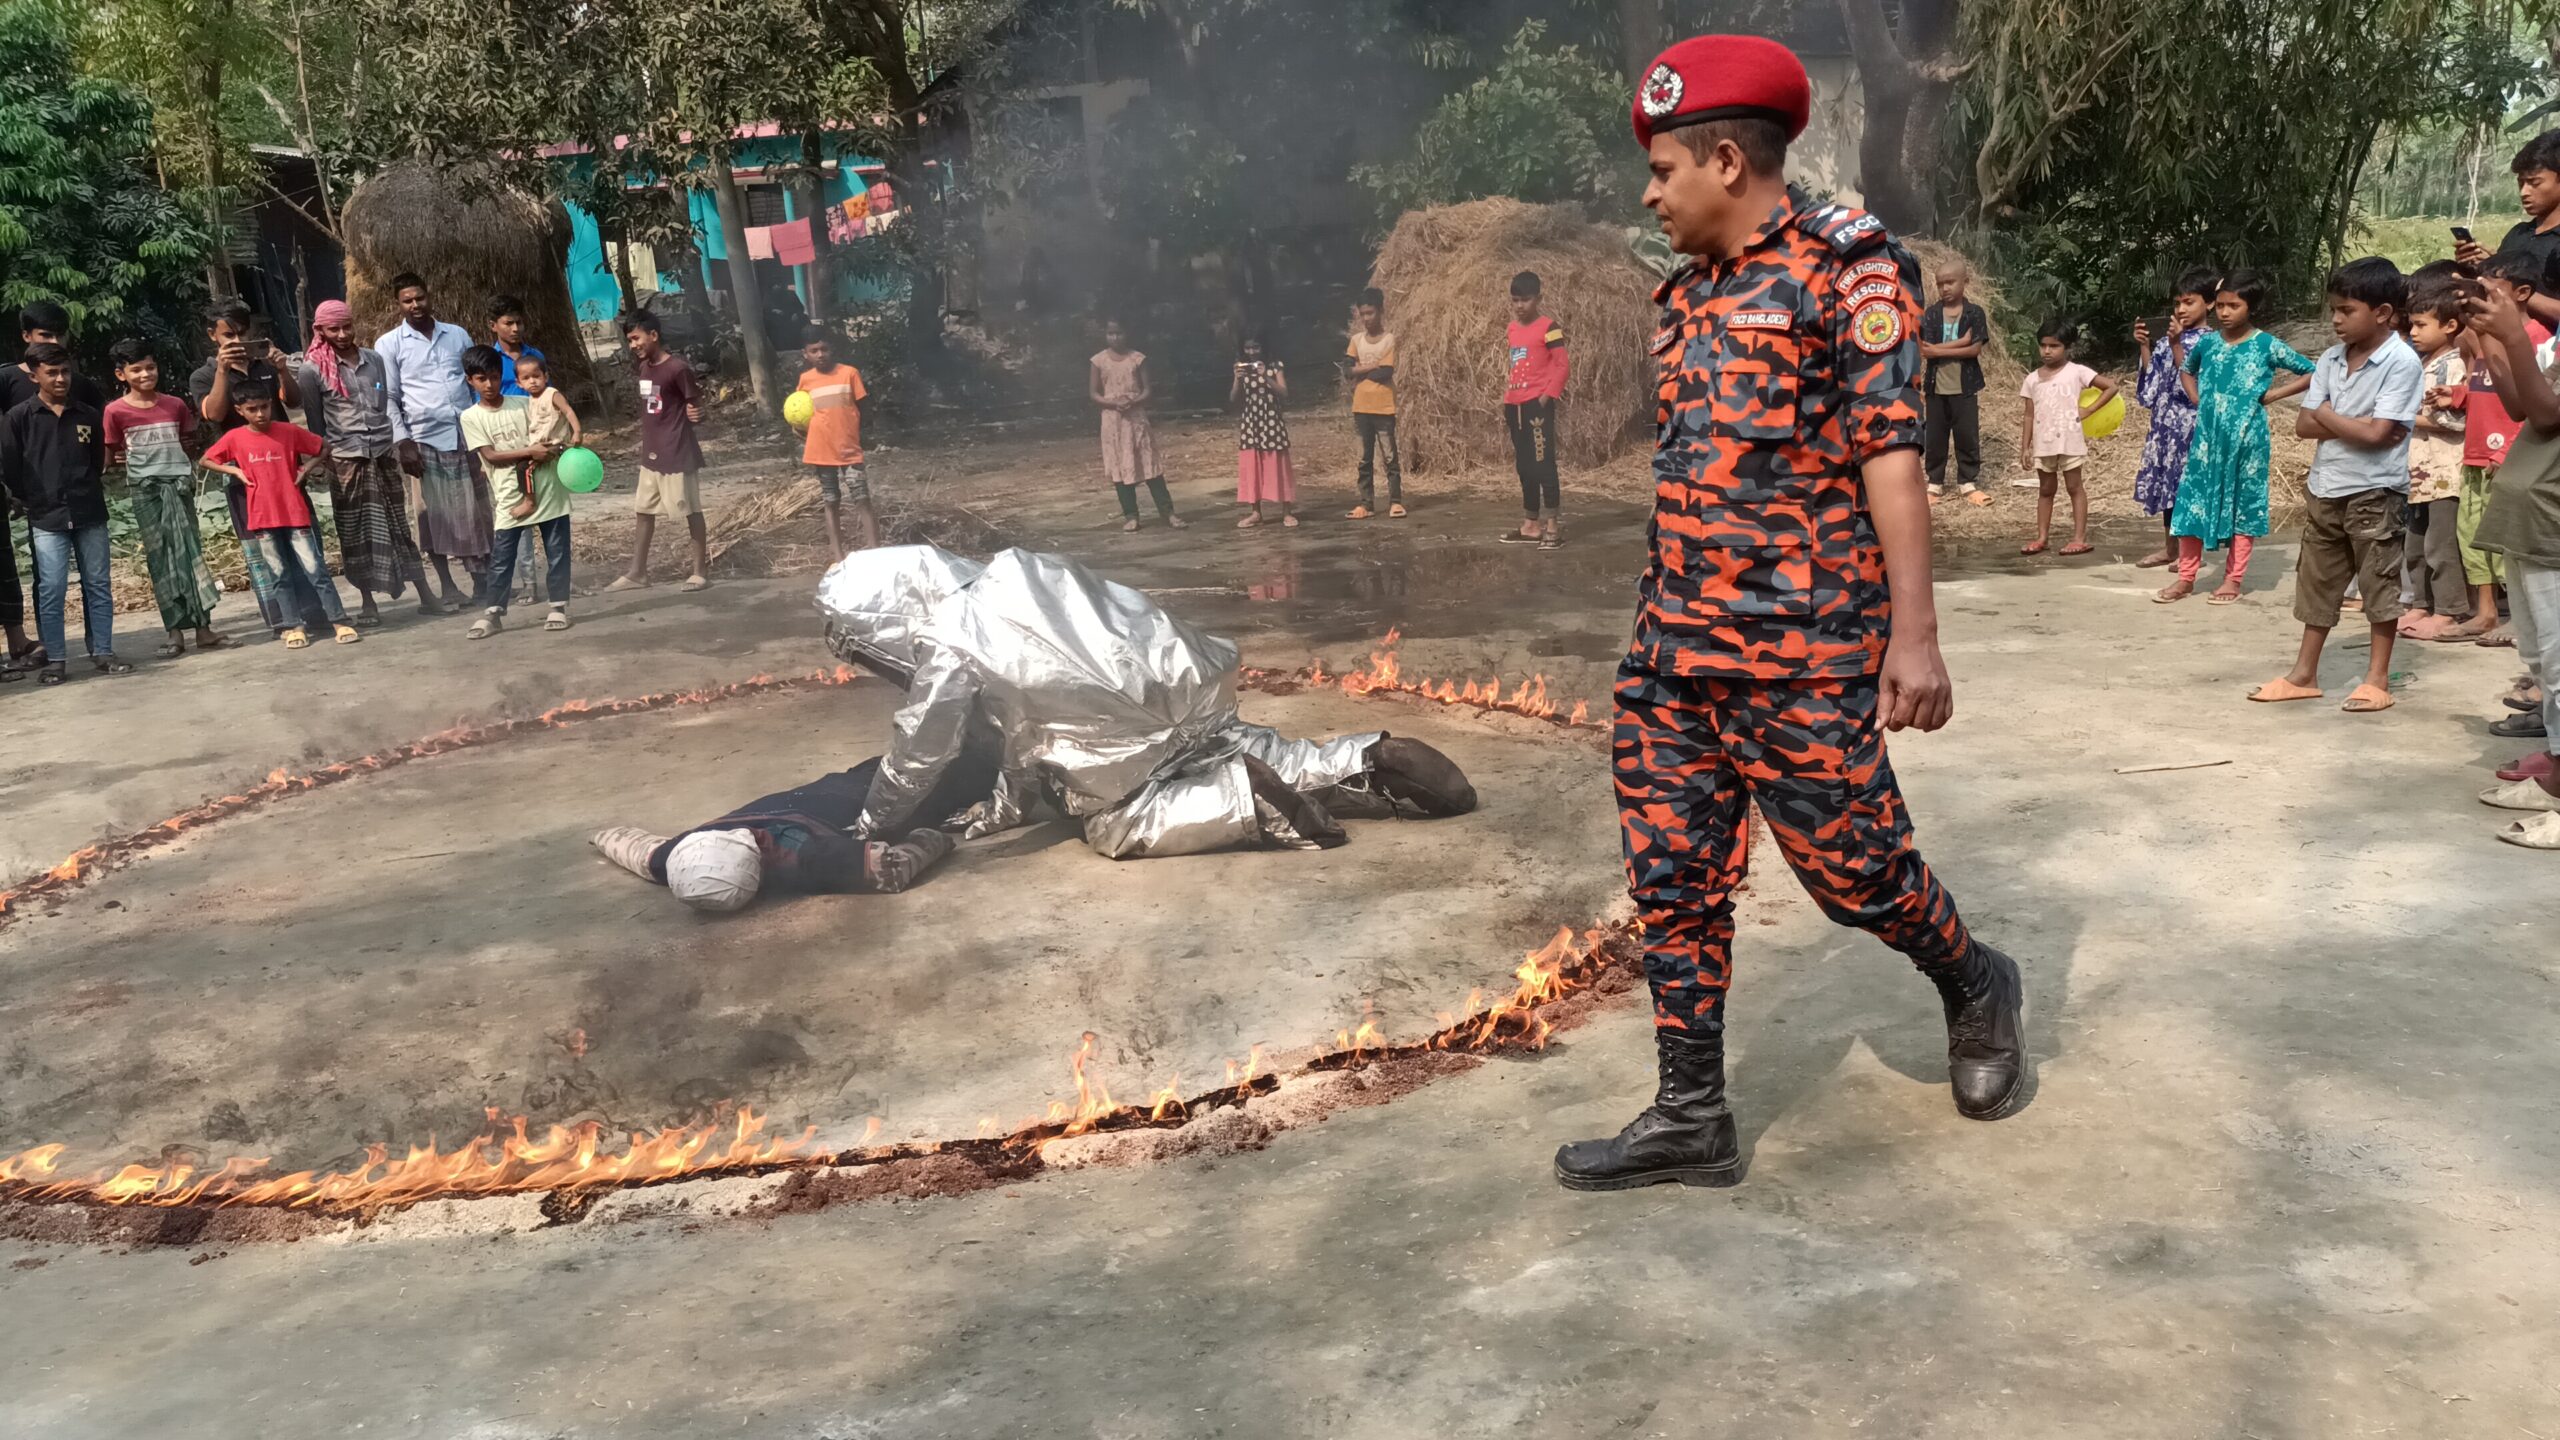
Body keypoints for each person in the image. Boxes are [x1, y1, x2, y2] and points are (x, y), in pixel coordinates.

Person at [1554, 35, 2024, 1194]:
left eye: (1663, 171)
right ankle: (1690, 1112)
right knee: (1671, 878)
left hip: (1800, 652)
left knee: (1856, 875)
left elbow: (1890, 458)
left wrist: (1912, 638)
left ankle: (1974, 980)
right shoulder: (1680, 297)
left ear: (1727, 158)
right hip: (1671, 653)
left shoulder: (1847, 268)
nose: (1650, 194)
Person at [2243, 259, 2420, 713]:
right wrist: (2349, 422)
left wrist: (2327, 415)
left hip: (2375, 490)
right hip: (2326, 485)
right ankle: (2304, 673)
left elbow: (2378, 435)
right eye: (2334, 310)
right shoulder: (2330, 358)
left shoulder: (2400, 362)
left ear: (2382, 312)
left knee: (2377, 581)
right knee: (2317, 580)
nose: (2337, 320)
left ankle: (2376, 678)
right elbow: (2305, 425)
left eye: (2346, 310)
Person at [590, 758, 977, 914]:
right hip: (889, 792)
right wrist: (929, 838)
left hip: (837, 782)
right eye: (755, 844)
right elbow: (892, 867)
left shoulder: (678, 856)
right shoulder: (810, 862)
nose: (754, 834)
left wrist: (601, 836)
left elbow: (636, 849)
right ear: (759, 867)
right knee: (966, 767)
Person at [2458, 275, 2560, 845]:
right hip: (2533, 522)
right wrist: (2489, 343)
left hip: (2554, 524)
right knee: (2545, 662)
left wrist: (2514, 337)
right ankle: (2554, 779)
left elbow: (2548, 417)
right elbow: (2523, 406)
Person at [2154, 270, 2317, 605]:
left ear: (2250, 307)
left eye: (2234, 306)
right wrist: (2198, 399)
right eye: (2222, 305)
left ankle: (2233, 578)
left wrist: (2274, 395)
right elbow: (2186, 370)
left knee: (2244, 505)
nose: (2225, 312)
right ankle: (2186, 577)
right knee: (2192, 503)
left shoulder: (2266, 344)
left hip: (2248, 440)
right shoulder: (2208, 343)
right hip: (2206, 440)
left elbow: (2312, 371)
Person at [190, 298, 334, 640]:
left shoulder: (264, 365)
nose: (237, 341)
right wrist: (224, 371)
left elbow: (293, 401)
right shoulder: (205, 375)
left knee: (303, 542)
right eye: (229, 335)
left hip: (285, 472)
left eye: (243, 333)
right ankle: (283, 622)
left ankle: (317, 615)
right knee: (262, 552)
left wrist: (283, 369)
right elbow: (213, 413)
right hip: (246, 478)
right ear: (213, 336)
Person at [293, 299, 434, 625]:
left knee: (399, 526)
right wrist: (325, 458)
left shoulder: (374, 359)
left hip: (382, 456)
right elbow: (316, 425)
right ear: (321, 331)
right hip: (345, 462)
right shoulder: (311, 370)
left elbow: (382, 404)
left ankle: (427, 595)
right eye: (334, 329)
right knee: (356, 534)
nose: (342, 334)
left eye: (347, 326)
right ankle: (367, 602)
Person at [2436, 250, 2548, 643]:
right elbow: (2484, 384)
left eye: (2490, 289)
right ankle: (2485, 611)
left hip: (2508, 455)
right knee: (2473, 534)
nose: (2480, 295)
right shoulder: (2480, 339)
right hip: (2475, 448)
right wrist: (2457, 395)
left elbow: (2534, 408)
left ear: (2521, 293)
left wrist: (2508, 451)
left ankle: (2516, 615)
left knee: (2508, 543)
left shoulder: (2537, 339)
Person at [1, 344, 128, 684]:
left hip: (89, 511)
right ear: (34, 375)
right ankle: (56, 659)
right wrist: (29, 499)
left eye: (65, 372)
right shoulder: (18, 419)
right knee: (52, 588)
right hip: (46, 516)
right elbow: (12, 468)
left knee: (98, 584)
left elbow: (94, 462)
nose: (60, 379)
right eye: (52, 373)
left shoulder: (86, 415)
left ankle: (102, 651)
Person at [200, 390, 359, 650]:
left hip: (294, 512)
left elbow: (323, 446)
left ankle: (339, 621)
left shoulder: (289, 431)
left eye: (264, 406)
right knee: (279, 574)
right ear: (240, 411)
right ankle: (293, 625)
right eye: (252, 409)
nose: (260, 414)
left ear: (271, 404)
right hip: (262, 517)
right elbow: (205, 460)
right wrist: (234, 470)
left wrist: (306, 468)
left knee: (316, 571)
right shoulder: (235, 438)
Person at [103, 338, 226, 657]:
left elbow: (188, 443)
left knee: (190, 552)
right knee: (160, 559)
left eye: (151, 367)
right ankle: (174, 633)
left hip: (179, 487)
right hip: (146, 491)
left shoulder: (174, 404)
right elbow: (113, 451)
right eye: (137, 370)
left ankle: (204, 628)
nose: (146, 374)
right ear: (121, 375)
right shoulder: (114, 412)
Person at [376, 272, 487, 611]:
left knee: (476, 512)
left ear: (429, 295)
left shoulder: (456, 334)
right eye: (407, 300)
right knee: (430, 515)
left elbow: (472, 381)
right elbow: (390, 396)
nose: (415, 305)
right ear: (398, 304)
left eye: (419, 298)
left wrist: (482, 425)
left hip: (465, 433)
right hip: (423, 441)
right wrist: (402, 442)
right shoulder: (389, 344)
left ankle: (484, 584)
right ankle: (449, 587)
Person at [456, 345, 572, 639]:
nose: (489, 385)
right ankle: (494, 613)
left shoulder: (523, 404)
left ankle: (558, 606)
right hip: (510, 495)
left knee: (557, 551)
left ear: (502, 375)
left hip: (548, 487)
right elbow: (491, 456)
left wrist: (555, 446)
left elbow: (551, 426)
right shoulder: (471, 417)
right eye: (481, 379)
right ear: (470, 381)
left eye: (494, 377)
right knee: (502, 556)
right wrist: (530, 451)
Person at [607, 308, 712, 592]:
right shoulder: (644, 368)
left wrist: (698, 414)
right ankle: (637, 573)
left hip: (677, 452)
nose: (633, 345)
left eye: (636, 338)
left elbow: (696, 404)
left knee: (691, 510)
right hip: (651, 454)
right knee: (643, 511)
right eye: (629, 340)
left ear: (654, 335)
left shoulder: (677, 368)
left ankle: (699, 572)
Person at [2130, 269, 2219, 567]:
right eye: (2177, 303)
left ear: (2208, 304)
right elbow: (2151, 386)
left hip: (2191, 428)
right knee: (2169, 488)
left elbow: (2196, 384)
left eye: (2189, 302)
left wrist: (2177, 344)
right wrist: (2145, 346)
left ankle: (2192, 554)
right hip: (2165, 427)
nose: (2181, 309)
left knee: (2188, 489)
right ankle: (2171, 549)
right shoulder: (2167, 341)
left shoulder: (2212, 343)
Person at [2402, 282, 2474, 640]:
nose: (2413, 333)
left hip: (2443, 470)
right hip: (2417, 471)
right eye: (2411, 325)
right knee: (2414, 543)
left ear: (2449, 326)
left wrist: (2402, 417)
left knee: (2441, 544)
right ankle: (2420, 603)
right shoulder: (2420, 363)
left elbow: (2456, 420)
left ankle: (2450, 608)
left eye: (2421, 325)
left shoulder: (2453, 367)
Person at [2015, 320, 2115, 556]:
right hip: (2044, 442)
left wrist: (2089, 410)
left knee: (2074, 487)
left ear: (2067, 347)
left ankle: (2079, 538)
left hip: (2069, 440)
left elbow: (2110, 387)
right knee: (2046, 489)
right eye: (2043, 345)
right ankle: (2042, 537)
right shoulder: (2032, 379)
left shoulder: (2077, 372)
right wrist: (2025, 447)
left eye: (2054, 346)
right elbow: (2029, 415)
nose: (2047, 351)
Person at [2454, 128, 2560, 330]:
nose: (2524, 192)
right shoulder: (2518, 233)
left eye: (2534, 182)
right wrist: (2479, 267)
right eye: (2520, 183)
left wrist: (2507, 290)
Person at [1091, 319, 1185, 533]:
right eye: (1110, 333)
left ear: (1127, 333)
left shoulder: (1137, 358)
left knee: (1149, 464)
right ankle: (1131, 515)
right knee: (1120, 468)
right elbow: (1094, 393)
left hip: (1136, 418)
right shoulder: (1098, 361)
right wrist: (1113, 402)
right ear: (1105, 335)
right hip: (1113, 421)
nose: (1115, 337)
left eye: (1119, 333)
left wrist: (1132, 401)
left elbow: (1147, 390)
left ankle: (1168, 512)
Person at [1501, 271, 1569, 549]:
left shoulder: (1549, 327)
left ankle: (1552, 524)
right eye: (1515, 300)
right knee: (1524, 466)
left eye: (1525, 300)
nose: (1520, 305)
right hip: (1514, 405)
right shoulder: (1512, 329)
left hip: (1537, 405)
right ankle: (1531, 524)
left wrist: (1546, 396)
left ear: (1538, 298)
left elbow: (1562, 365)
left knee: (1543, 464)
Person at [795, 328, 875, 556]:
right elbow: (799, 411)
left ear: (833, 349)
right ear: (805, 354)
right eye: (814, 351)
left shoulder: (849, 374)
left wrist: (861, 436)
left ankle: (875, 551)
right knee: (830, 500)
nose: (820, 354)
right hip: (820, 451)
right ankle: (838, 557)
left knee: (862, 498)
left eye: (824, 349)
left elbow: (864, 409)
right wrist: (798, 429)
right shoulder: (805, 380)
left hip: (849, 449)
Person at [1920, 260, 1991, 505]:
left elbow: (1975, 351)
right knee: (1935, 436)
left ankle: (1967, 482)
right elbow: (1926, 349)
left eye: (1950, 282)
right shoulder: (1931, 314)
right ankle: (1935, 483)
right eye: (1940, 284)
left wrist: (1940, 351)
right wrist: (1963, 342)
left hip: (1965, 386)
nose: (1945, 288)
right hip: (1936, 386)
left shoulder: (1974, 313)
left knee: (1966, 435)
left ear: (1965, 282)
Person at [1345, 288, 1404, 519]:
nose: (1367, 318)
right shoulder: (1356, 340)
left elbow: (1386, 372)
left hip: (1383, 406)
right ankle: (1366, 503)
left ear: (1380, 312)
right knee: (1364, 458)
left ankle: (1395, 501)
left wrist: (1361, 371)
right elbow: (1347, 370)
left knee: (1390, 456)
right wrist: (1370, 367)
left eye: (1370, 313)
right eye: (1363, 314)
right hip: (1361, 407)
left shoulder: (1389, 339)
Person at [1231, 336, 1296, 529]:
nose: (1252, 352)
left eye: (1256, 347)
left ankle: (1287, 512)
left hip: (1271, 420)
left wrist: (1265, 376)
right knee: (1253, 464)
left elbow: (1284, 392)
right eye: (1248, 348)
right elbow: (1233, 398)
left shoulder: (1275, 365)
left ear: (1263, 347)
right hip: (1251, 422)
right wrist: (1236, 379)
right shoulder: (1241, 367)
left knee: (1278, 463)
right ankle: (1256, 512)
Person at [485, 294, 544, 397]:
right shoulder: (489, 362)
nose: (515, 329)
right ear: (493, 326)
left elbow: (548, 392)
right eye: (509, 323)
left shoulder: (536, 356)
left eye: (519, 322)